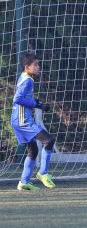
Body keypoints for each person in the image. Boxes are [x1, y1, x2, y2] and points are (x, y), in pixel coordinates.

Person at [11, 53, 56, 190]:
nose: (38, 67)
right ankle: (43, 173)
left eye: (38, 64)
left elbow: (25, 98)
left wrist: (38, 103)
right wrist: (36, 104)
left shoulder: (24, 77)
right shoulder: (28, 80)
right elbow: (17, 99)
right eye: (35, 65)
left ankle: (24, 182)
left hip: (17, 120)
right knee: (49, 140)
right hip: (23, 121)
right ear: (27, 67)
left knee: (33, 150)